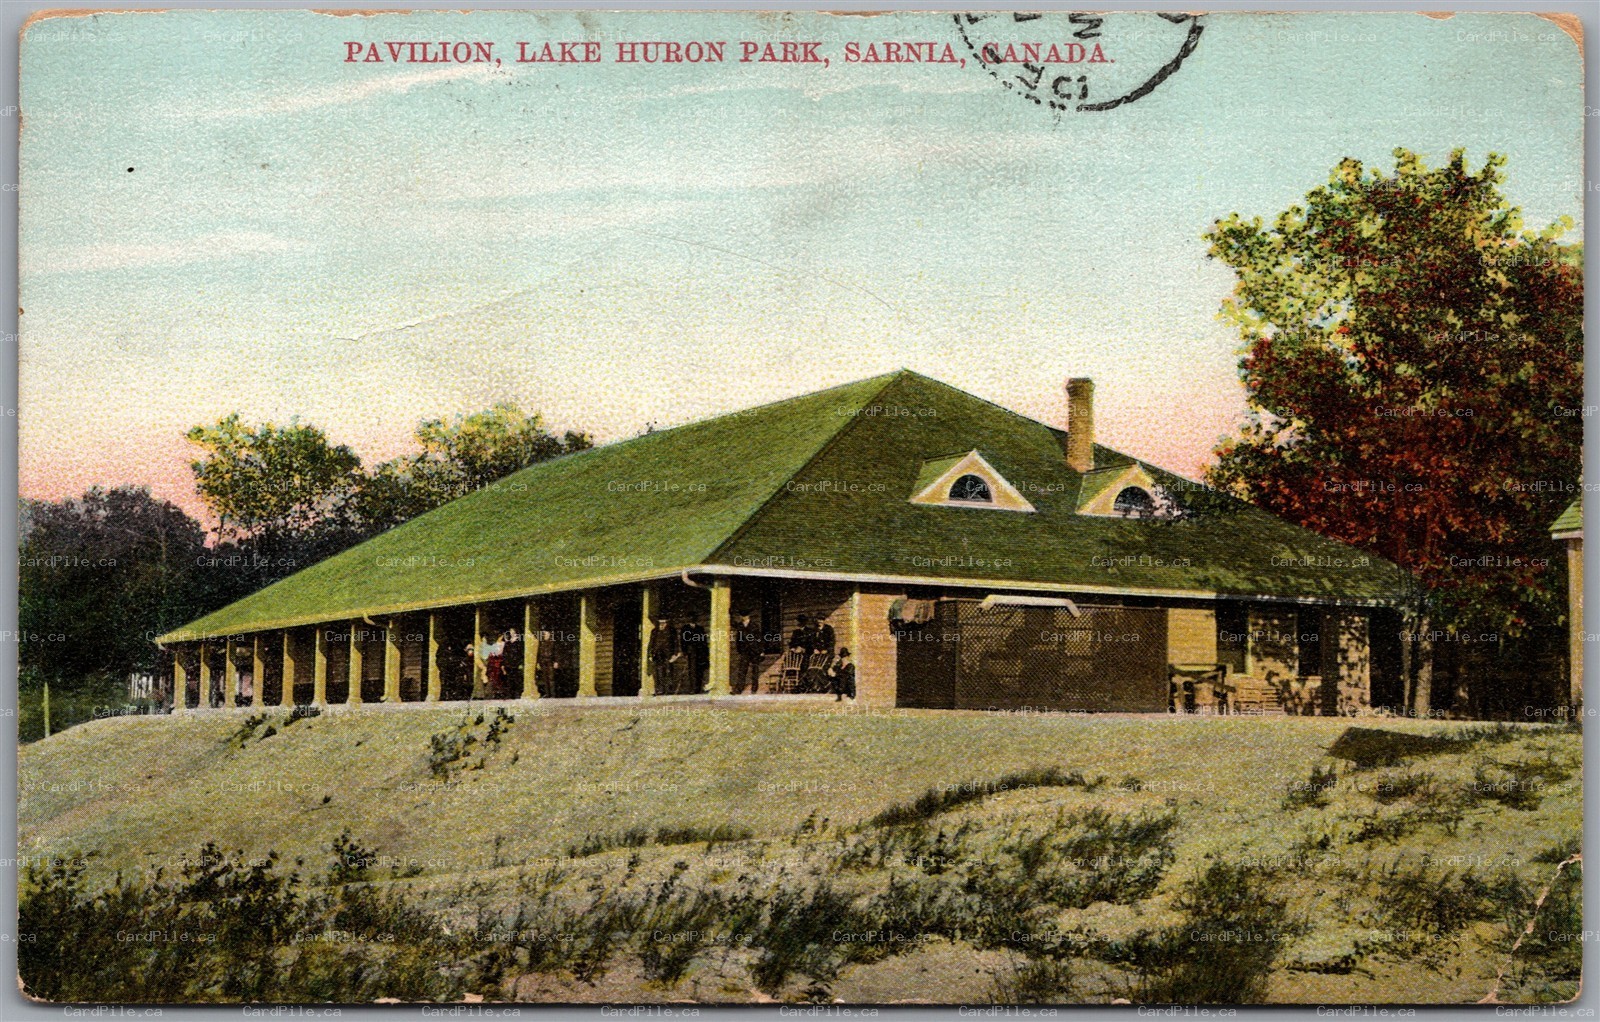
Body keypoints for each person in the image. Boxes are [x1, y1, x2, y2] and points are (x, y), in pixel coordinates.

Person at [733, 610, 763, 694]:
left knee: (755, 670)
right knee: (742, 670)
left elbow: (759, 638)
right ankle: (739, 689)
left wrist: (761, 651)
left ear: (746, 616)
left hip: (754, 650)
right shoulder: (740, 625)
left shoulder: (754, 625)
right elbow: (733, 624)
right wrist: (730, 614)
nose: (740, 617)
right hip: (744, 651)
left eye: (742, 616)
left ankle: (754, 689)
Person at [647, 616, 679, 694]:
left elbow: (676, 643)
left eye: (664, 623)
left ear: (667, 623)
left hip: (668, 655)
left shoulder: (672, 631)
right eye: (660, 623)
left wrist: (675, 654)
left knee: (668, 672)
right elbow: (651, 643)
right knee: (658, 673)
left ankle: (668, 690)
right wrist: (650, 655)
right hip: (657, 655)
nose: (662, 625)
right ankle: (659, 690)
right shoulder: (654, 631)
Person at [681, 618, 708, 693]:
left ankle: (698, 688)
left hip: (700, 652)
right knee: (692, 670)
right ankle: (693, 688)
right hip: (691, 652)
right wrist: (684, 651)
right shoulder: (685, 628)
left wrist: (706, 652)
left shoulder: (700, 628)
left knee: (700, 670)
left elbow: (704, 640)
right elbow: (683, 641)